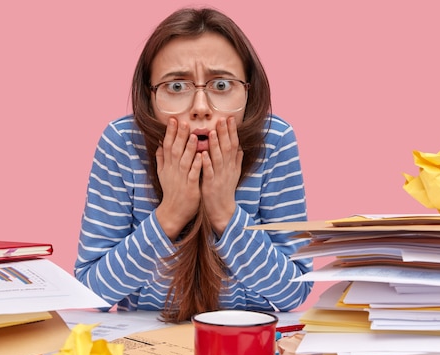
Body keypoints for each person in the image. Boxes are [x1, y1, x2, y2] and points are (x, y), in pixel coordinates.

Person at [74, 7, 313, 323]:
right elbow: (90, 293)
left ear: (248, 90)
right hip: (146, 343)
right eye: (176, 87)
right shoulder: (122, 143)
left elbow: (293, 293)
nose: (201, 108)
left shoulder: (275, 140)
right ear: (150, 96)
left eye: (222, 86)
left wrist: (224, 212)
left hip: (243, 341)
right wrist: (170, 213)